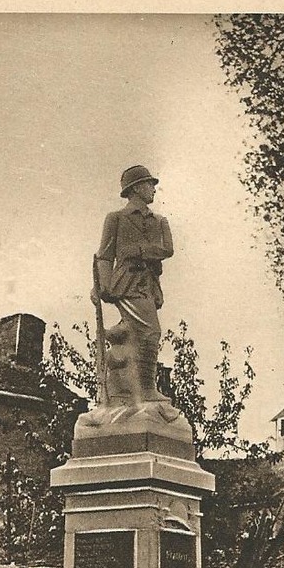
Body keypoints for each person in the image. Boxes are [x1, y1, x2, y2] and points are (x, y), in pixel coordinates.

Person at [92, 165, 174, 406]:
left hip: (148, 284)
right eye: (150, 185)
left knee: (137, 335)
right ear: (137, 188)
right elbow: (104, 256)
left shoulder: (160, 221)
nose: (154, 190)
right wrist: (101, 287)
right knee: (149, 332)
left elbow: (167, 249)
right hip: (126, 283)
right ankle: (145, 389)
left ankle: (128, 388)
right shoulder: (115, 218)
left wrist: (138, 251)